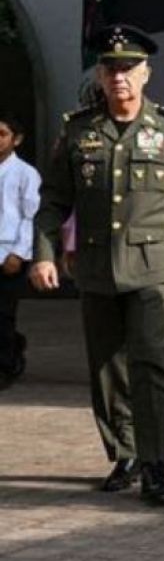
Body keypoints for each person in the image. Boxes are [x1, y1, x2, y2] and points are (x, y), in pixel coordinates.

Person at [30, 25, 164, 502]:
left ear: (146, 74)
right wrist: (46, 253)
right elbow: (53, 200)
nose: (119, 77)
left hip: (152, 268)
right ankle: (124, 453)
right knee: (106, 367)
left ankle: (156, 462)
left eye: (129, 68)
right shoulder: (78, 129)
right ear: (99, 74)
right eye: (111, 68)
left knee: (151, 364)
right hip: (95, 268)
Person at [0, 112, 40, 389]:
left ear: (17, 139)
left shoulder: (26, 173)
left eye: (2, 134)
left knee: (3, 312)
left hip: (9, 253)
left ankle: (5, 365)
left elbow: (30, 216)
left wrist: (19, 252)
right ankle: (14, 343)